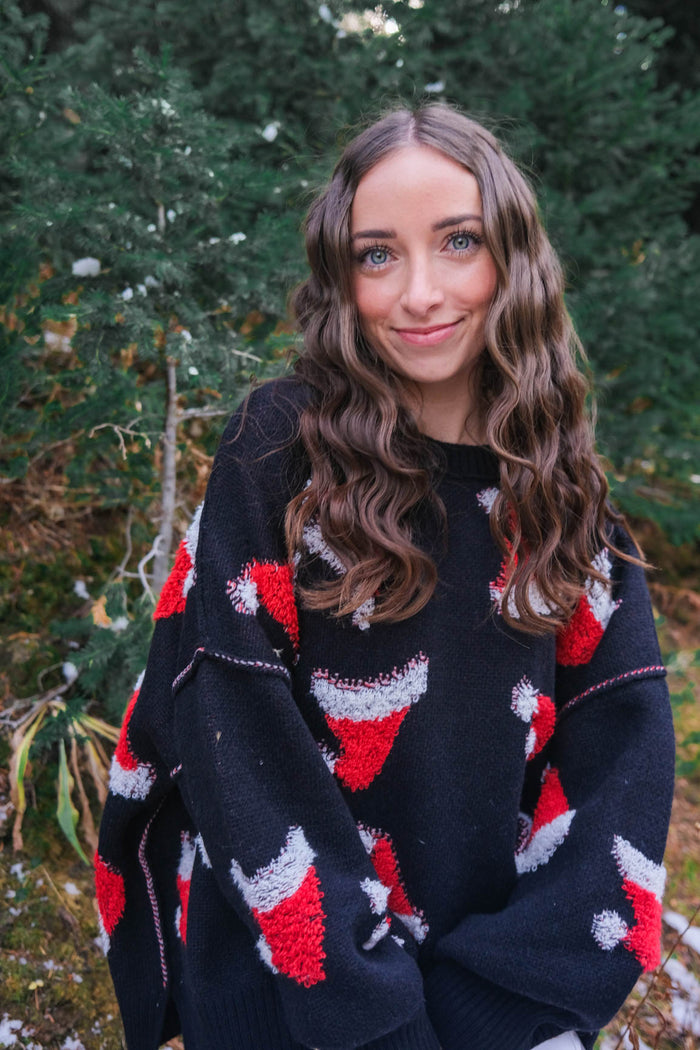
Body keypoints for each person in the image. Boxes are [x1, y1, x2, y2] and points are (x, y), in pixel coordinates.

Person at [96, 103, 675, 1050]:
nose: (419, 292)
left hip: (492, 1007)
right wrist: (371, 1016)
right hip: (292, 998)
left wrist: (506, 1010)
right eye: (377, 255)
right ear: (341, 274)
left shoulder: (567, 498)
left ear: (515, 257)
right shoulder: (277, 455)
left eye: (459, 242)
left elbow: (621, 776)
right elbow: (233, 739)